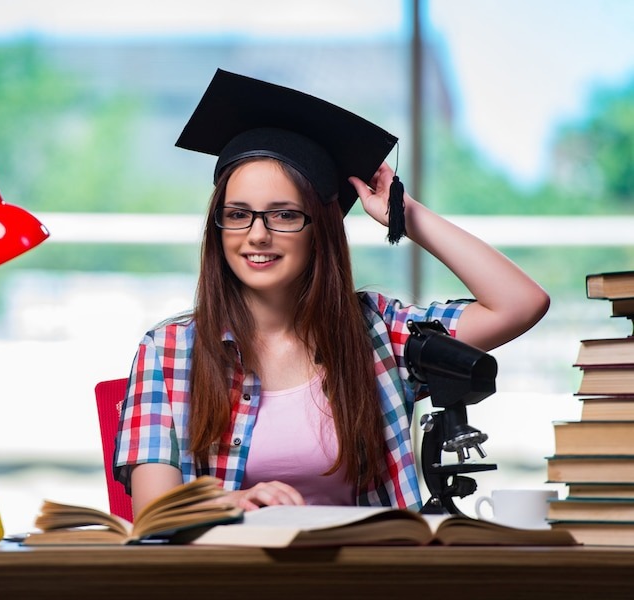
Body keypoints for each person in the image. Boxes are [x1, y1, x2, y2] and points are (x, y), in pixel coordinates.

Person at [113, 69, 549, 515]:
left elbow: (521, 303)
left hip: (363, 576)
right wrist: (233, 504)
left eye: (283, 216)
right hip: (229, 576)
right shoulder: (169, 350)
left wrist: (407, 214)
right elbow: (155, 510)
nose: (257, 235)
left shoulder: (381, 335)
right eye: (238, 214)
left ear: (319, 230)